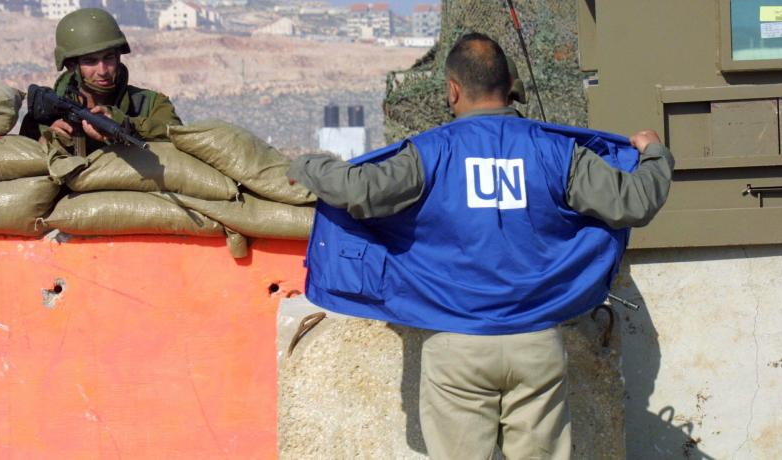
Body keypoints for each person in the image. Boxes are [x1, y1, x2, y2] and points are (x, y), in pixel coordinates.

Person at [288, 33, 674, 460]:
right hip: (536, 341)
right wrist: (654, 152)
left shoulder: (429, 153)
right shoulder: (558, 151)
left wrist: (308, 165)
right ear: (510, 84)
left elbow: (355, 190)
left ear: (452, 90)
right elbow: (635, 202)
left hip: (458, 344)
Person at [20, 8, 181, 154]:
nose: (103, 71)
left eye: (109, 58)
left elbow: (178, 135)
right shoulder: (43, 117)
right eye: (90, 61)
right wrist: (45, 145)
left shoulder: (148, 104)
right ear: (71, 66)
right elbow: (21, 175)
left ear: (118, 57)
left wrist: (125, 124)